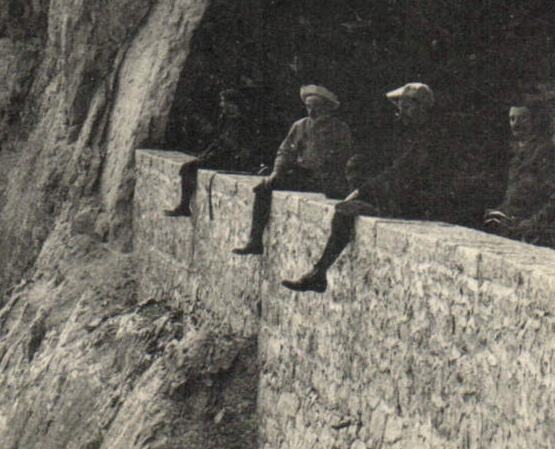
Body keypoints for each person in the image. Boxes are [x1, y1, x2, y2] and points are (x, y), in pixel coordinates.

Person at [281, 81, 435, 292]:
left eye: (407, 106)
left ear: (421, 107)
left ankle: (318, 273)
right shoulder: (403, 132)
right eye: (401, 106)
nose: (401, 111)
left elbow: (398, 172)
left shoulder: (426, 138)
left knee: (345, 210)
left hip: (410, 203)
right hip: (388, 194)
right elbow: (375, 158)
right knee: (341, 193)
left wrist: (362, 191)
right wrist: (355, 169)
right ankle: (318, 273)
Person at [232, 84, 352, 255]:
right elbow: (285, 151)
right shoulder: (300, 126)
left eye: (316, 107)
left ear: (327, 108)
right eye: (308, 107)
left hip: (324, 179)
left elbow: (342, 159)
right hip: (303, 175)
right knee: (264, 187)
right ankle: (255, 240)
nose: (312, 111)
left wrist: (325, 171)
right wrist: (277, 172)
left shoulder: (339, 129)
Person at [483, 103, 555, 244]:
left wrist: (533, 223)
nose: (515, 124)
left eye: (522, 118)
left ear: (534, 121)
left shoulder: (546, 152)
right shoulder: (517, 152)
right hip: (513, 229)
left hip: (536, 234)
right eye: (512, 119)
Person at [164, 89, 247, 217]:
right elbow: (217, 140)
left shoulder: (241, 122)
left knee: (188, 167)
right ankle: (183, 206)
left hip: (231, 160)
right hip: (220, 155)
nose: (221, 104)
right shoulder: (225, 118)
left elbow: (233, 146)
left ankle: (184, 207)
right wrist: (205, 154)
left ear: (232, 103)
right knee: (190, 167)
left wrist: (210, 155)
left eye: (223, 101)